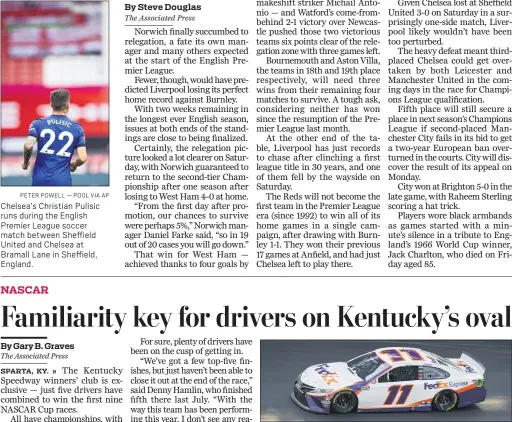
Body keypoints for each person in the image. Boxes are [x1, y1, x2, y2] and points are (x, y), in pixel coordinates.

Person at [21, 88, 87, 186]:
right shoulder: (77, 128)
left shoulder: (38, 123)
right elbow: (82, 158)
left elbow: (28, 146)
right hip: (63, 181)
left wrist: (26, 163)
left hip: (40, 180)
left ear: (51, 104)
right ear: (68, 106)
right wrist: (75, 164)